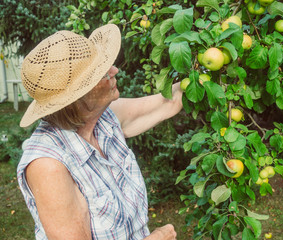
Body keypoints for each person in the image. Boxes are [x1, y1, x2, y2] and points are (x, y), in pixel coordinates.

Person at [17, 24, 182, 240]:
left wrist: (209, 70)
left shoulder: (104, 119)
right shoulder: (49, 166)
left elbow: (168, 103)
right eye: (103, 72)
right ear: (78, 97)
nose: (115, 71)